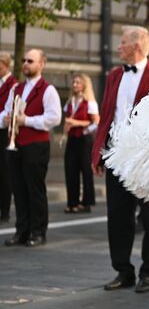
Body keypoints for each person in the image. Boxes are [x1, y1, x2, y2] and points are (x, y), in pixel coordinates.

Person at [91, 26, 149, 293]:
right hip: (117, 157)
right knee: (117, 216)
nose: (118, 47)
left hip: (147, 161)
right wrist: (98, 153)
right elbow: (107, 115)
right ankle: (122, 270)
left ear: (137, 46)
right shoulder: (115, 75)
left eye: (123, 42)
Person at [1, 49, 61, 247]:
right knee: (18, 189)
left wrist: (25, 120)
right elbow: (7, 112)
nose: (26, 64)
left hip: (36, 145)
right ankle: (22, 230)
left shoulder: (48, 90)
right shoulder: (16, 89)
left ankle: (38, 231)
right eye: (24, 60)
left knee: (35, 189)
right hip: (16, 143)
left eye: (30, 61)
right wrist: (6, 119)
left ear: (41, 64)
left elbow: (54, 118)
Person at [63, 74, 100, 214]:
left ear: (84, 84)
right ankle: (72, 203)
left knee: (86, 171)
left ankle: (86, 203)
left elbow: (96, 122)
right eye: (73, 82)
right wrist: (68, 125)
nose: (74, 85)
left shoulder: (90, 102)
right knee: (70, 170)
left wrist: (77, 124)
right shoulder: (70, 101)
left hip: (84, 140)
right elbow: (67, 119)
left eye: (78, 82)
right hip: (72, 139)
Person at [0, 51, 17, 222]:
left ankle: (4, 210)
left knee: (4, 172)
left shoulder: (13, 85)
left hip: (4, 133)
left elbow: (8, 111)